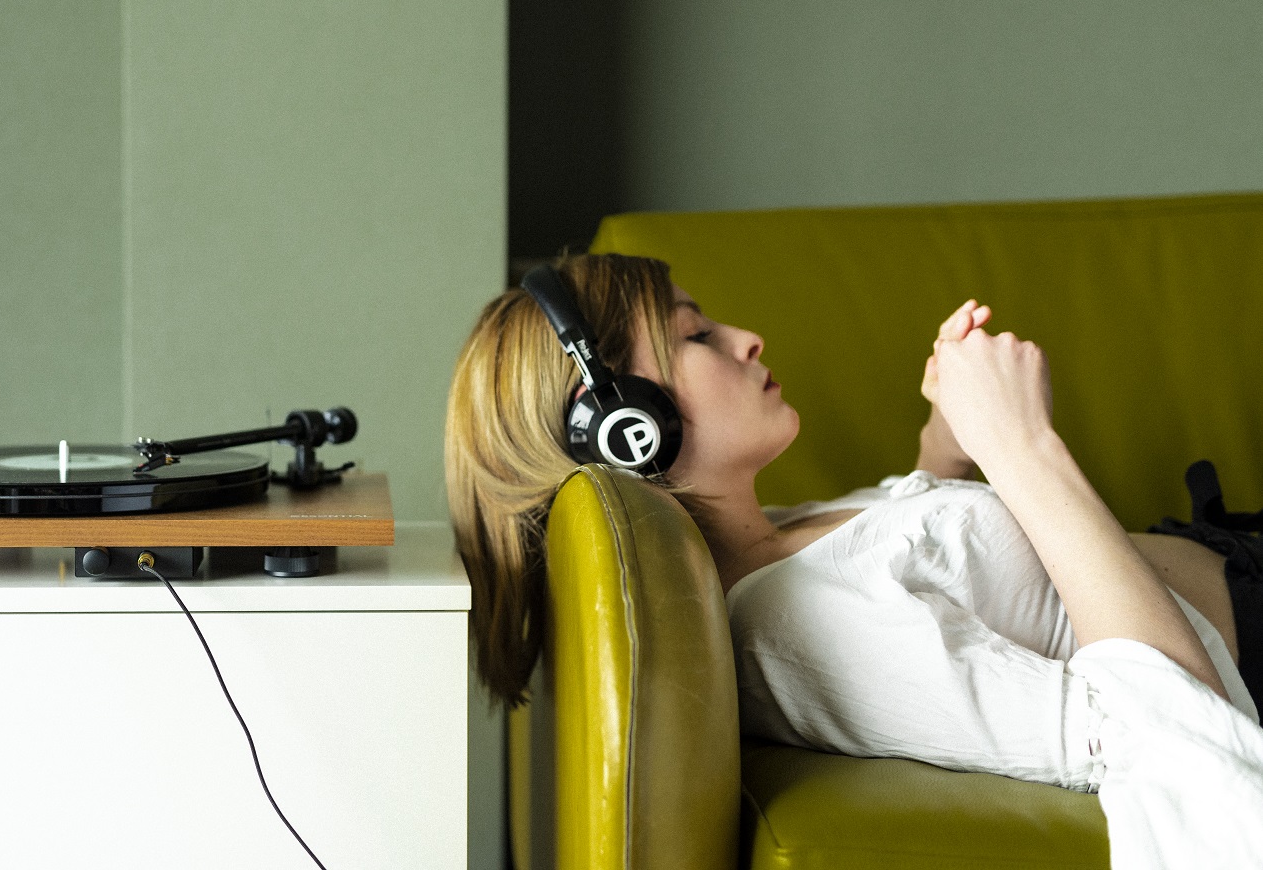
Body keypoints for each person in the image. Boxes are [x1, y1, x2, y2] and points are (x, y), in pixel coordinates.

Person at [444, 253, 1263, 800]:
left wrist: (946, 445)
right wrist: (1021, 443)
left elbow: (940, 576)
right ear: (627, 425)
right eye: (696, 335)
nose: (746, 339)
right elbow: (1172, 730)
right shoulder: (795, 630)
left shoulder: (774, 538)